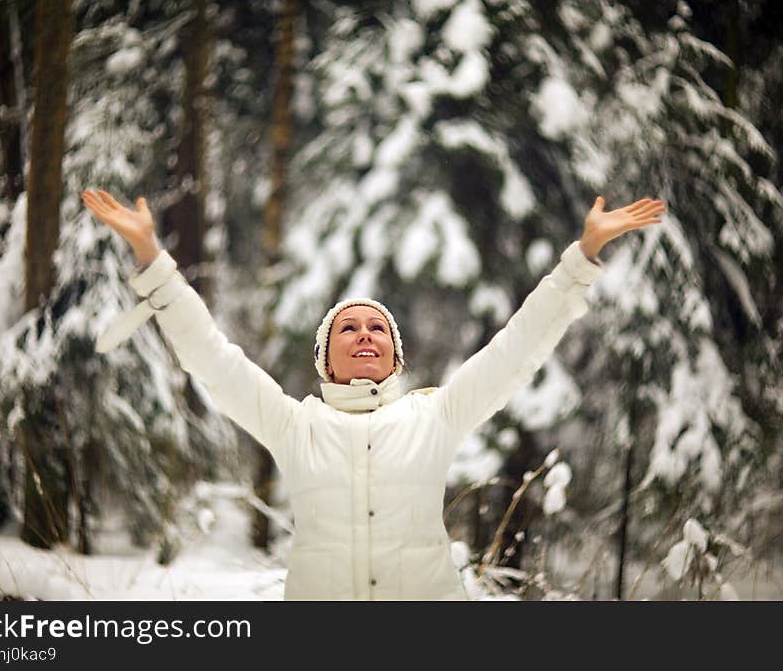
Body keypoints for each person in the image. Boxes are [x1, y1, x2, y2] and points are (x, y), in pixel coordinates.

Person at [81, 189, 666, 600]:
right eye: (348, 328)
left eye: (377, 328)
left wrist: (581, 258)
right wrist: (152, 262)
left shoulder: (435, 415)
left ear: (395, 354)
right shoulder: (293, 425)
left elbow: (517, 347)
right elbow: (211, 356)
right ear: (324, 358)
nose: (365, 335)